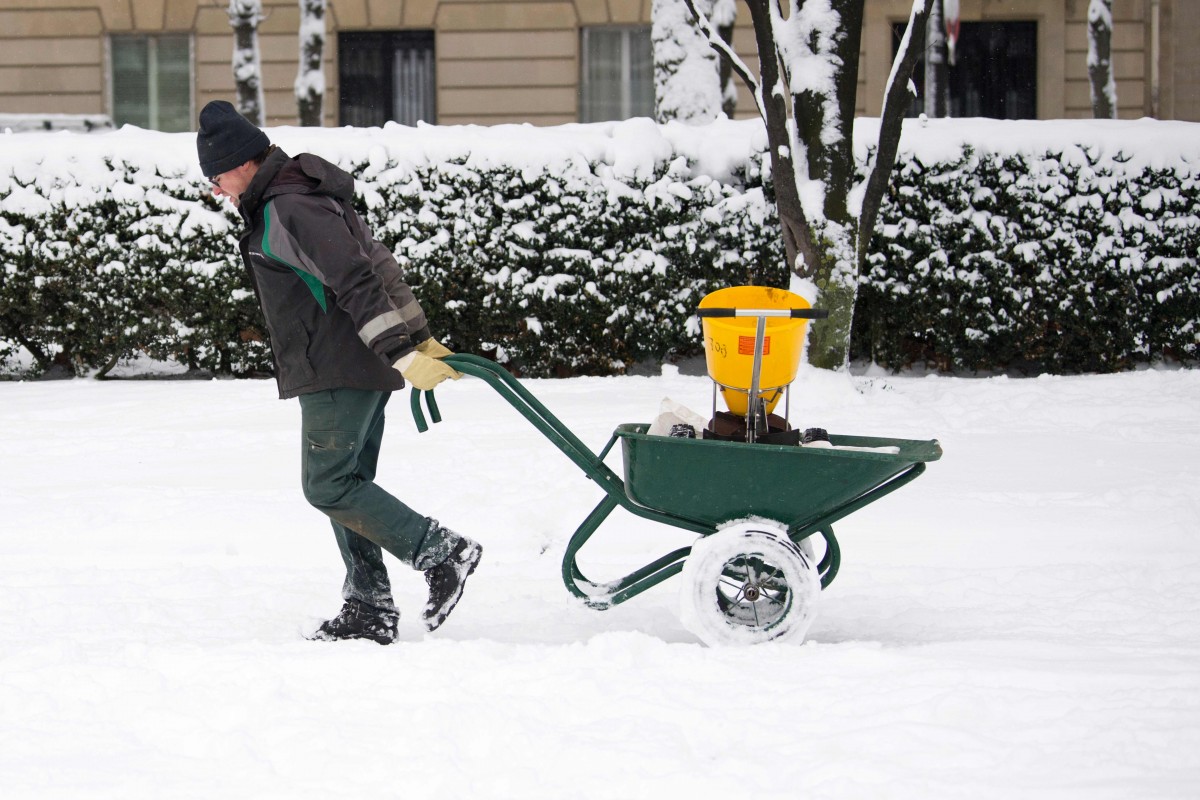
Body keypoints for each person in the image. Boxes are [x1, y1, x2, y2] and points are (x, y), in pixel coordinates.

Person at [195, 100, 481, 645]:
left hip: (337, 365)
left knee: (328, 484)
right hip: (355, 361)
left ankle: (442, 552)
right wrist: (415, 339)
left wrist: (403, 348)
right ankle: (368, 605)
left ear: (240, 163)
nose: (216, 189)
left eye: (216, 176)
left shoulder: (288, 208)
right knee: (350, 485)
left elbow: (356, 276)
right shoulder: (302, 197)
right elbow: (378, 262)